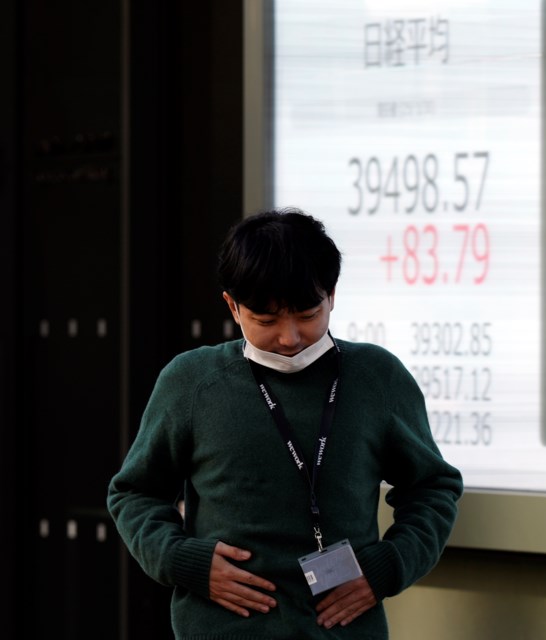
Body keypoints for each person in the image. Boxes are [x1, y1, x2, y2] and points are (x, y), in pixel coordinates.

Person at [107, 208, 463, 638]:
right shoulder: (191, 382)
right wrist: (183, 561)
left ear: (332, 295)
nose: (290, 337)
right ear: (232, 306)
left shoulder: (377, 377)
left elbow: (432, 487)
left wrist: (387, 567)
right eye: (266, 320)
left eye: (307, 314)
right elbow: (134, 492)